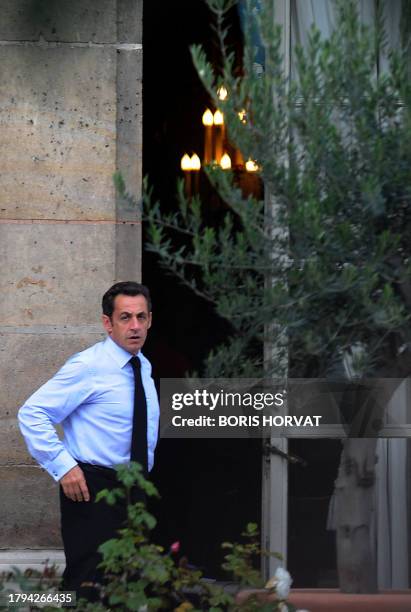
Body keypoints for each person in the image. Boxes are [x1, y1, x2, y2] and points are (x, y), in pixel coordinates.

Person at [18, 281, 160, 598]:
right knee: (88, 587)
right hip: (93, 489)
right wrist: (64, 467)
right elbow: (33, 412)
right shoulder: (89, 366)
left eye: (141, 317)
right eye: (125, 317)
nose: (135, 326)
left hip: (134, 489)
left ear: (150, 319)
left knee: (127, 584)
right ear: (107, 323)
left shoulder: (143, 366)